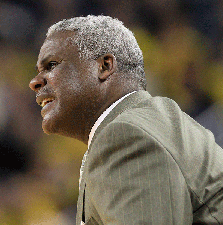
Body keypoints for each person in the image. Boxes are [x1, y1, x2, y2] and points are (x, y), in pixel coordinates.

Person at [29, 15, 223, 225]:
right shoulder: (144, 121)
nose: (35, 82)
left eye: (52, 65)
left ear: (103, 66)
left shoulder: (126, 136)